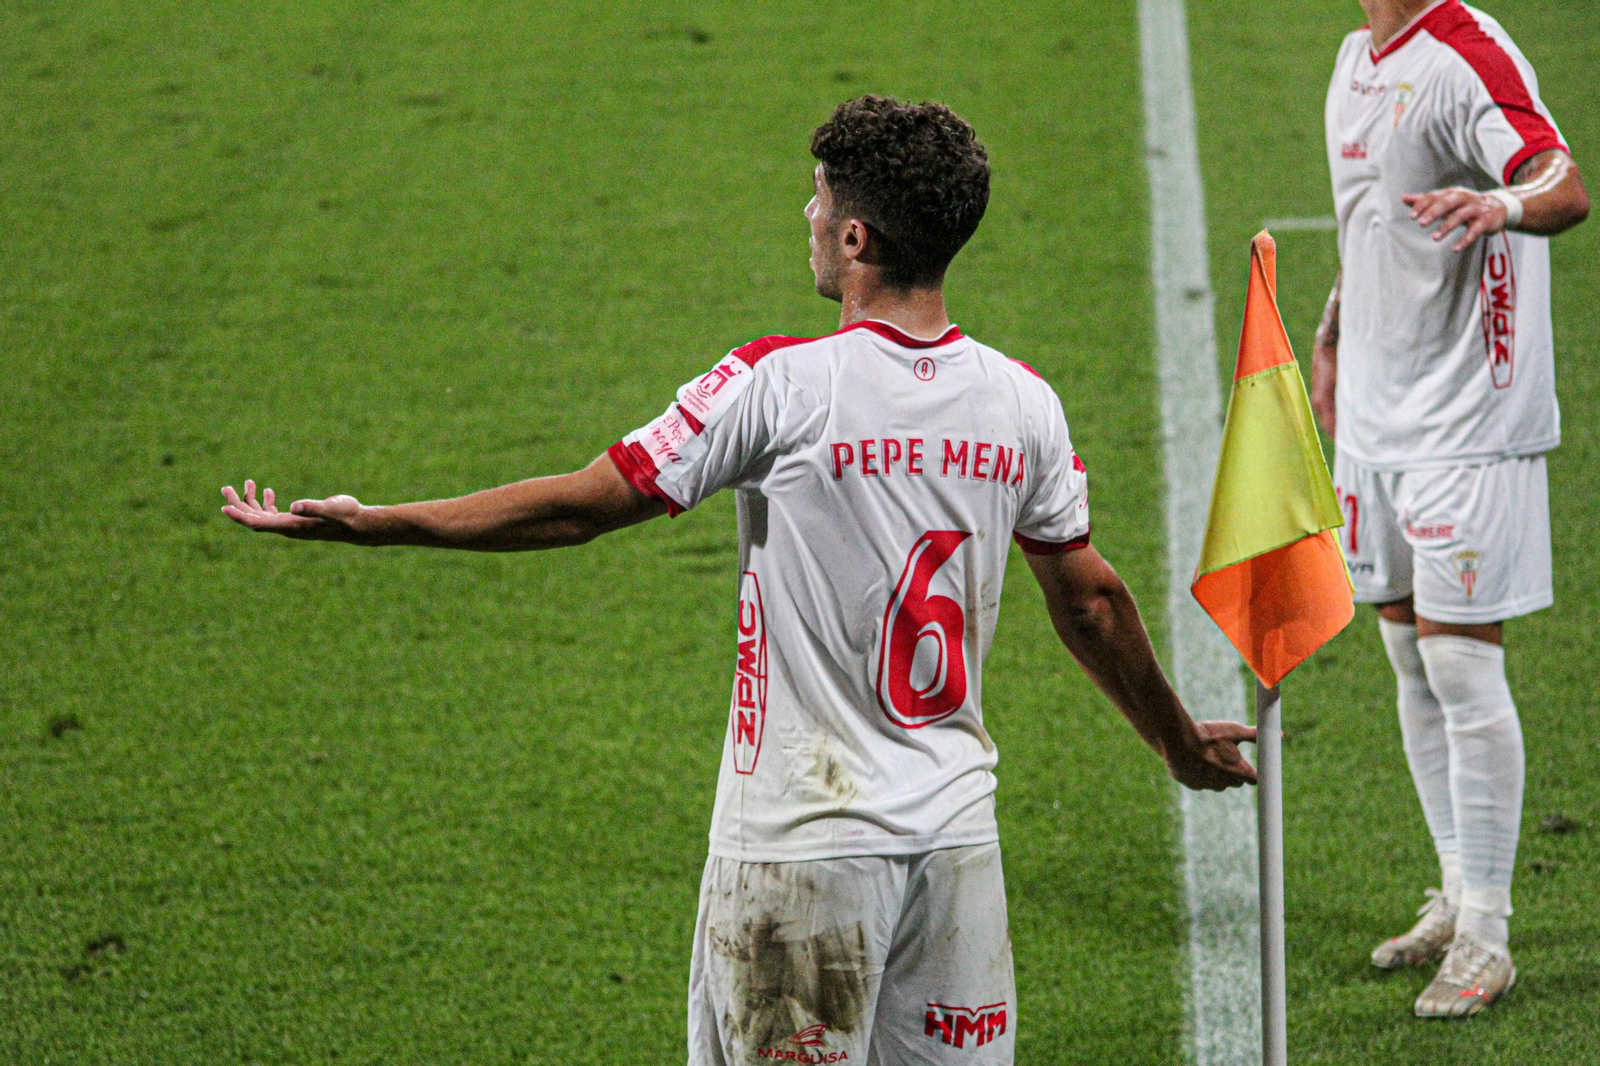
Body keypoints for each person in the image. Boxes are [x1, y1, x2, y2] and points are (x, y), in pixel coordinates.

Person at [222, 95, 1256, 1064]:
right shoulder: (1024, 404)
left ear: (855, 238)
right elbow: (1090, 599)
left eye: (818, 199)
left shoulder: (780, 385)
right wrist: (1174, 738)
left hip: (799, 855)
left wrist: (382, 524)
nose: (807, 215)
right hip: (954, 852)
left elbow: (583, 505)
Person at [1315, 0, 1588, 1019]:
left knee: (1462, 662)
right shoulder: (1354, 57)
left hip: (1470, 419)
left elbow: (1559, 180)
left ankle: (1487, 934)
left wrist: (1505, 209)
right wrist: (1336, 329)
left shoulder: (1465, 55)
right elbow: (1367, 221)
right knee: (1405, 655)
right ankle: (1453, 887)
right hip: (1377, 419)